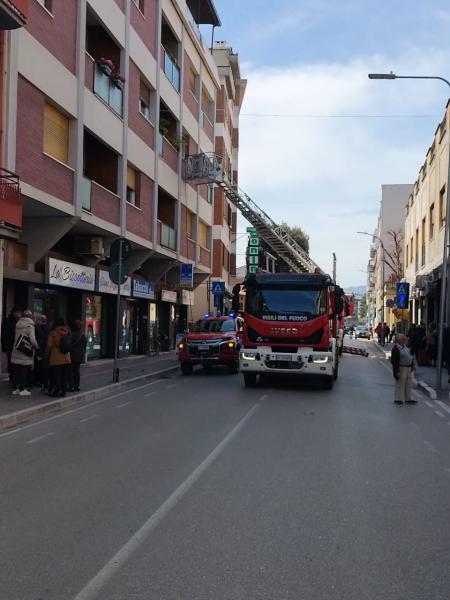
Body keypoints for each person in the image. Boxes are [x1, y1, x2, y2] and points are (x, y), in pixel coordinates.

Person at [10, 309, 39, 396]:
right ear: (30, 316)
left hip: (17, 349)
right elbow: (33, 340)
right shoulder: (30, 326)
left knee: (17, 370)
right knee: (24, 371)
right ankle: (23, 389)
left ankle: (16, 388)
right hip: (25, 351)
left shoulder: (18, 324)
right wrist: (37, 347)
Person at [46, 318, 71, 398]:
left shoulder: (53, 333)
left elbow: (49, 346)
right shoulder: (67, 332)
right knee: (64, 376)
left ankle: (56, 391)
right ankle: (63, 392)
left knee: (56, 375)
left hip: (56, 357)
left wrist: (45, 354)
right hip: (66, 357)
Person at [391, 333, 416, 404]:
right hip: (401, 368)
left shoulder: (405, 347)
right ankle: (398, 399)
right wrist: (397, 371)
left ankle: (408, 399)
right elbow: (394, 361)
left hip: (408, 368)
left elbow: (410, 357)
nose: (405, 339)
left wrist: (412, 365)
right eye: (403, 338)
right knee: (400, 384)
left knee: (408, 384)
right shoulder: (395, 349)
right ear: (399, 340)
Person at [1, 306, 22, 383]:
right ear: (14, 313)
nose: (20, 314)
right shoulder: (8, 321)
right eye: (18, 313)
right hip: (10, 344)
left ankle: (14, 376)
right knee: (11, 360)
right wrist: (5, 344)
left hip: (17, 345)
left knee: (14, 361)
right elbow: (4, 333)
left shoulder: (18, 321)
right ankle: (12, 375)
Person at [69, 320, 87, 392]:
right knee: (77, 370)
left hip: (72, 355)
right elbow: (84, 346)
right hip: (80, 356)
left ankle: (71, 386)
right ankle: (77, 386)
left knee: (71, 371)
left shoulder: (71, 335)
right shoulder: (83, 336)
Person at [34, 315, 50, 392]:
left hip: (41, 351)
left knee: (40, 368)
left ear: (40, 320)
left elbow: (40, 341)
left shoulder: (38, 328)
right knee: (45, 369)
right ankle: (45, 384)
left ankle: (41, 383)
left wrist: (38, 351)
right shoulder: (49, 328)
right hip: (47, 352)